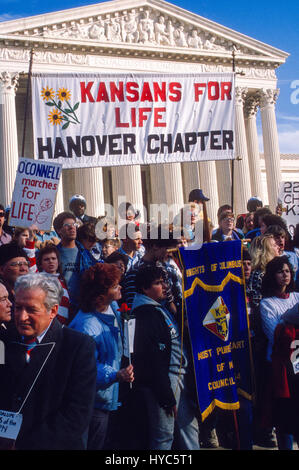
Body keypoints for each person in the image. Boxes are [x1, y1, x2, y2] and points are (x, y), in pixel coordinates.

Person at [0, 272, 97, 450]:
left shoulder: (77, 347)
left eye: (31, 310)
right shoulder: (3, 340)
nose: (22, 317)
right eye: (18, 307)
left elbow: (76, 414)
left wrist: (24, 444)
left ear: (52, 311)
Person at [131, 264, 200, 450]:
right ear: (145, 288)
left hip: (178, 376)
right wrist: (166, 396)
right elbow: (152, 361)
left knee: (189, 427)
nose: (163, 286)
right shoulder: (144, 314)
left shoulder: (159, 308)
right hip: (163, 381)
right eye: (157, 283)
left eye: (163, 282)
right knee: (163, 436)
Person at [69, 263, 134, 450]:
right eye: (115, 286)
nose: (120, 287)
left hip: (107, 395)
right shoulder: (87, 326)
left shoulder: (111, 306)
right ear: (99, 297)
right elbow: (86, 368)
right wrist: (115, 375)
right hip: (93, 402)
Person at [260, 256, 299, 449]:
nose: (285, 275)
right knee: (285, 418)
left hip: (298, 362)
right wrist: (291, 322)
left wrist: (287, 323)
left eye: (287, 271)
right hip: (280, 366)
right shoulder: (267, 303)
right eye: (280, 272)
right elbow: (275, 334)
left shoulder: (297, 297)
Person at [36, 244, 70, 325]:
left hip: (63, 326)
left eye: (53, 258)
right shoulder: (39, 280)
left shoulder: (61, 280)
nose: (51, 261)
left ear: (58, 262)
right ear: (40, 264)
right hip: (50, 326)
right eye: (46, 259)